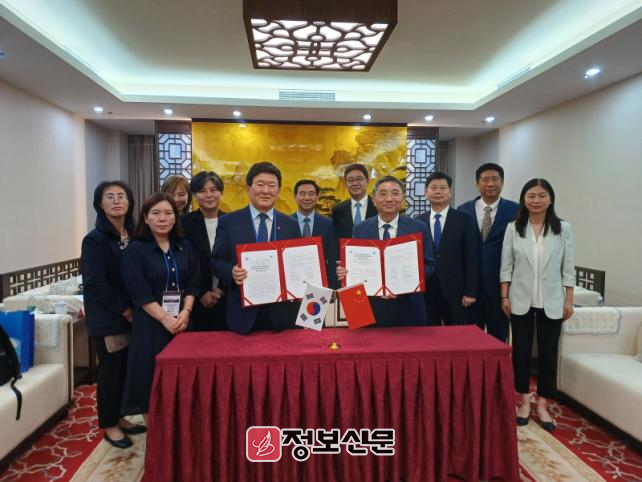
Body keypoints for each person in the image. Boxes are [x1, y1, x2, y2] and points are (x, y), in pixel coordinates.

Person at [500, 179, 575, 432]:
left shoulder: (563, 228)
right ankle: (523, 401)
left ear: (550, 199)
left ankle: (542, 404)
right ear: (524, 199)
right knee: (520, 351)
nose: (536, 200)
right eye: (531, 195)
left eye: (542, 195)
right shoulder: (514, 228)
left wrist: (569, 300)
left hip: (552, 300)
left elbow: (568, 267)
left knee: (548, 353)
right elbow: (506, 266)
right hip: (520, 298)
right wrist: (504, 296)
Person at [120, 193, 200, 418]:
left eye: (168, 213)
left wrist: (186, 311)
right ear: (145, 218)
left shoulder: (185, 247)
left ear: (175, 217)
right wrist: (165, 318)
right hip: (150, 325)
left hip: (184, 323)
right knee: (150, 379)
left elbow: (194, 282)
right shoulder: (135, 250)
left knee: (185, 378)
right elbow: (139, 291)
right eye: (155, 213)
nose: (162, 218)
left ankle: (183, 427)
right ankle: (155, 432)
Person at [81, 181, 146, 449]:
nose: (117, 201)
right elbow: (96, 283)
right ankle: (109, 424)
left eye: (122, 196)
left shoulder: (134, 235)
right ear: (100, 203)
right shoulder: (95, 240)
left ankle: (120, 416)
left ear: (130, 202)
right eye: (110, 197)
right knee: (110, 373)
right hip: (110, 318)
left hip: (136, 316)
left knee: (126, 370)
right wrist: (125, 309)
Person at [212, 162, 301, 334]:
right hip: (242, 315)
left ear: (279, 190)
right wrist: (231, 272)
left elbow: (297, 266)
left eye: (272, 186)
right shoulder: (228, 222)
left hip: (281, 316)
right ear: (248, 188)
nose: (266, 191)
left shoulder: (291, 225)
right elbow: (216, 261)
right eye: (260, 184)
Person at [337, 176, 436, 326]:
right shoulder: (360, 229)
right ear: (374, 200)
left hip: (409, 305)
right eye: (383, 194)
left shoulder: (418, 227)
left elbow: (430, 265)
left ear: (402, 199)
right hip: (371, 307)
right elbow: (355, 264)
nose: (389, 199)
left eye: (395, 193)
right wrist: (345, 271)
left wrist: (403, 284)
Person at [458, 163, 519, 341]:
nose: (490, 184)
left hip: (500, 287)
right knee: (471, 339)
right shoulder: (463, 210)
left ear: (502, 182)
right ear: (477, 183)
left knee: (498, 338)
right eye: (485, 180)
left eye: (495, 179)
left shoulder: (516, 210)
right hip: (471, 288)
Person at [418, 172, 479, 326]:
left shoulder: (464, 219)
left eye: (443, 188)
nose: (438, 191)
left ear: (450, 192)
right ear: (426, 192)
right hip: (427, 292)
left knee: (457, 337)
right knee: (429, 336)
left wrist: (470, 292)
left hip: (456, 293)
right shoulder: (418, 222)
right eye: (433, 188)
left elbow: (472, 257)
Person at [181, 171, 227, 331]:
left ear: (221, 193)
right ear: (194, 195)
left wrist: (221, 289)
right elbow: (183, 262)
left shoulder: (232, 221)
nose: (208, 195)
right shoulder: (183, 223)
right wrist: (201, 292)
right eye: (202, 191)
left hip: (227, 298)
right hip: (194, 300)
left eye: (213, 190)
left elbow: (236, 259)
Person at [292, 179, 339, 288]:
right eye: (302, 193)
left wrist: (332, 288)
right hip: (294, 284)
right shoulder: (286, 223)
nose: (307, 198)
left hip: (322, 285)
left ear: (317, 197)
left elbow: (332, 258)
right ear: (295, 196)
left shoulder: (328, 224)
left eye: (311, 194)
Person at [331, 163, 377, 240]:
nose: (355, 183)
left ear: (368, 181)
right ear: (345, 184)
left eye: (359, 179)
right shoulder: (338, 210)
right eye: (350, 180)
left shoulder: (379, 207)